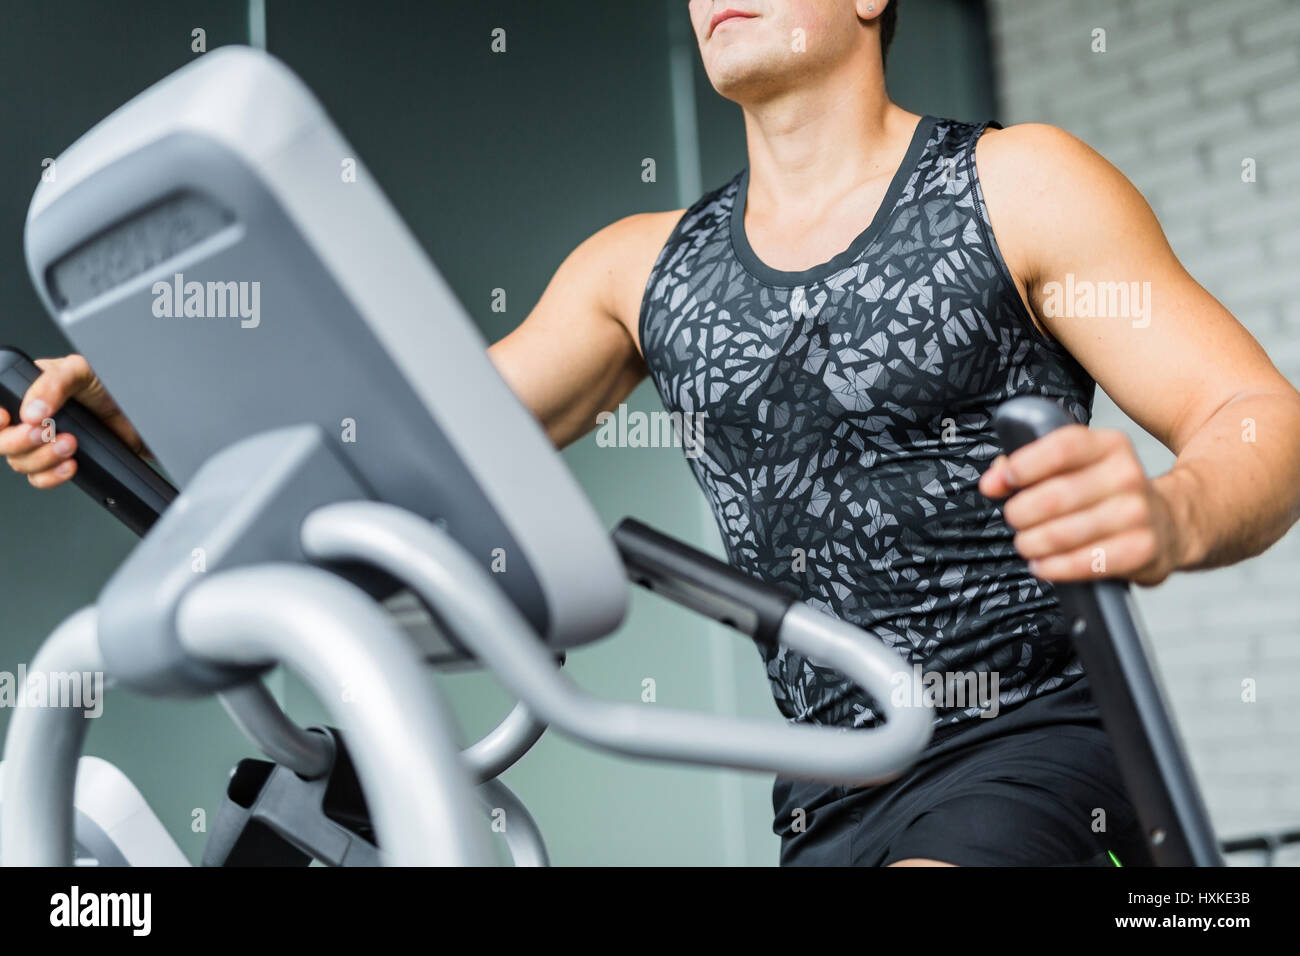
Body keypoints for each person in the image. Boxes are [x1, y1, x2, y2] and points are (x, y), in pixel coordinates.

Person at [5, 1, 1300, 866]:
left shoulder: (1019, 183)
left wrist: (1172, 512)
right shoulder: (639, 268)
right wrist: (154, 417)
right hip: (821, 786)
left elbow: (1256, 419)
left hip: (1032, 752)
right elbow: (391, 450)